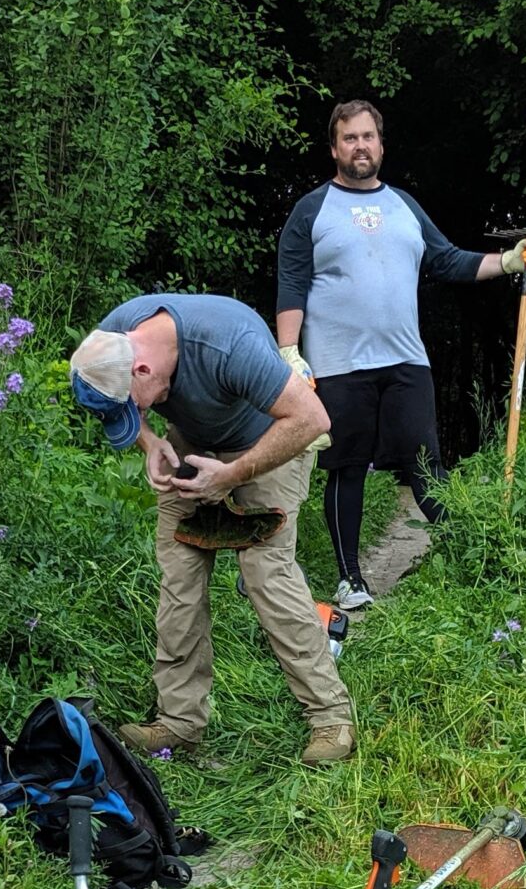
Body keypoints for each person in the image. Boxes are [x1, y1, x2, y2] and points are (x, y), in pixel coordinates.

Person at [275, 99, 526, 610]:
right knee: (347, 466)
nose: (360, 146)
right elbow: (292, 280)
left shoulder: (403, 206)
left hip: (405, 360)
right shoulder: (313, 209)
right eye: (349, 138)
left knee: (426, 463)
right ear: (334, 148)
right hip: (338, 363)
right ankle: (351, 580)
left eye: (368, 136)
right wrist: (289, 351)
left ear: (381, 144)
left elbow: (446, 260)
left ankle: (473, 561)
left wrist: (509, 261)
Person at [68, 294, 355, 767]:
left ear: (142, 370)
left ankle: (330, 719)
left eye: (136, 404)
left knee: (269, 577)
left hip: (272, 441)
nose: (137, 409)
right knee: (178, 579)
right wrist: (151, 441)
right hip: (195, 443)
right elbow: (120, 403)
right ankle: (178, 723)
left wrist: (232, 475)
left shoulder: (227, 344)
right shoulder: (113, 339)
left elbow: (311, 419)